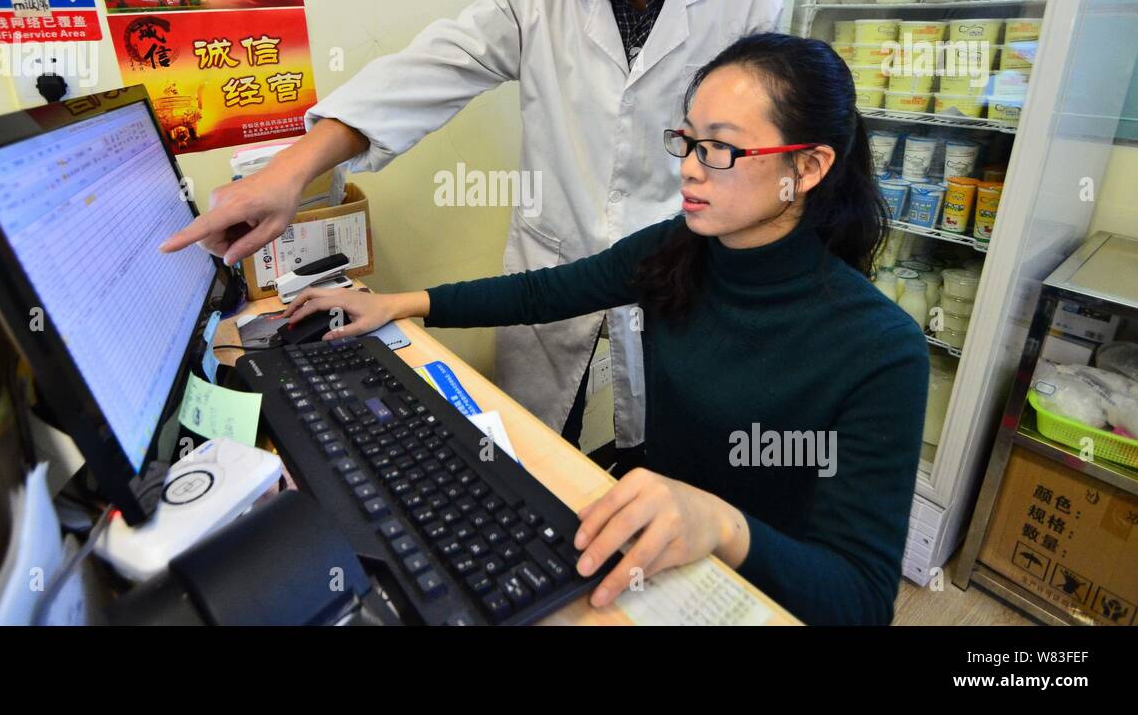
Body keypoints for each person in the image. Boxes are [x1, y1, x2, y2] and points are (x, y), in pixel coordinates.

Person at [160, 0, 785, 468]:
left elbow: (755, 156)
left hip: (680, 274)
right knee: (539, 454)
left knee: (662, 463)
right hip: (556, 264)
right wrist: (291, 170)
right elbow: (432, 69)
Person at [280, 33, 929, 625]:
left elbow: (862, 599)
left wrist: (725, 526)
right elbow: (547, 290)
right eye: (689, 142)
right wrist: (401, 302)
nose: (692, 169)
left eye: (722, 148)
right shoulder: (681, 248)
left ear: (808, 169)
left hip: (755, 586)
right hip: (650, 548)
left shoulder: (879, 350)